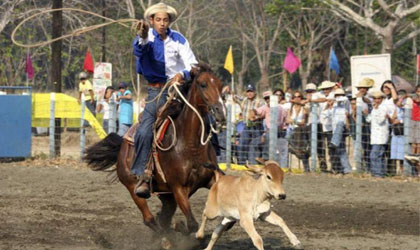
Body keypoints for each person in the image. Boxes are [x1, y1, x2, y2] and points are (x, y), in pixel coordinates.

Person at [130, 3, 198, 198]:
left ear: (169, 21)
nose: (162, 23)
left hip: (180, 89)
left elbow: (192, 64)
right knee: (144, 131)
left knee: (203, 117)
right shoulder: (146, 37)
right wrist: (142, 35)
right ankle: (143, 174)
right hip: (157, 92)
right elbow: (140, 50)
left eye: (165, 20)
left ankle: (211, 161)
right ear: (151, 21)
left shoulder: (179, 39)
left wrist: (182, 74)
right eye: (158, 20)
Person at [237, 84, 264, 165]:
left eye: (251, 91)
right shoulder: (244, 100)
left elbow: (263, 113)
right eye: (248, 91)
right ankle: (241, 164)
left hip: (257, 127)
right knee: (242, 145)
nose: (249, 93)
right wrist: (228, 91)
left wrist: (256, 117)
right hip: (246, 127)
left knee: (255, 146)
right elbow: (234, 97)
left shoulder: (260, 102)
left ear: (255, 92)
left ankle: (254, 165)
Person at [366, 90, 389, 177]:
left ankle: (377, 173)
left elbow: (380, 120)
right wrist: (371, 111)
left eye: (379, 98)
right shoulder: (374, 108)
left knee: (374, 155)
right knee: (379, 155)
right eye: (375, 98)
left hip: (381, 135)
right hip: (375, 135)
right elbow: (368, 119)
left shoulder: (383, 108)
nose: (377, 100)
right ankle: (381, 173)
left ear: (382, 99)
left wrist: (375, 110)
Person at [286, 91, 310, 172]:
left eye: (299, 96)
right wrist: (295, 122)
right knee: (300, 146)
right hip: (291, 130)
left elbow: (303, 122)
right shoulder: (291, 108)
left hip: (300, 131)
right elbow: (287, 120)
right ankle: (298, 151)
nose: (297, 98)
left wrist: (293, 121)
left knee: (300, 140)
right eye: (295, 97)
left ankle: (297, 151)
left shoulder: (304, 109)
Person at [330, 88, 352, 174]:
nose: (339, 97)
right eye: (337, 95)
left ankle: (334, 142)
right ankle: (347, 169)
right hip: (335, 130)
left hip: (343, 127)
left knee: (340, 123)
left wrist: (334, 99)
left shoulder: (346, 104)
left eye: (340, 95)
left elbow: (345, 99)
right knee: (341, 150)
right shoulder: (334, 106)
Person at [355, 78, 374, 173]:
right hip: (359, 122)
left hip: (368, 123)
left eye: (364, 88)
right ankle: (361, 166)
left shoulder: (370, 97)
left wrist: (360, 97)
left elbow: (369, 101)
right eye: (361, 88)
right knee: (360, 145)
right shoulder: (355, 98)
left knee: (368, 146)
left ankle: (368, 167)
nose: (362, 89)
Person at [405, 85, 420, 176]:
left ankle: (417, 156)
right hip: (413, 120)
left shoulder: (415, 99)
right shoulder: (412, 99)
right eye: (418, 91)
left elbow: (418, 100)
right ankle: (413, 156)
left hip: (419, 121)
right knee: (413, 142)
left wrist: (410, 96)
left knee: (419, 142)